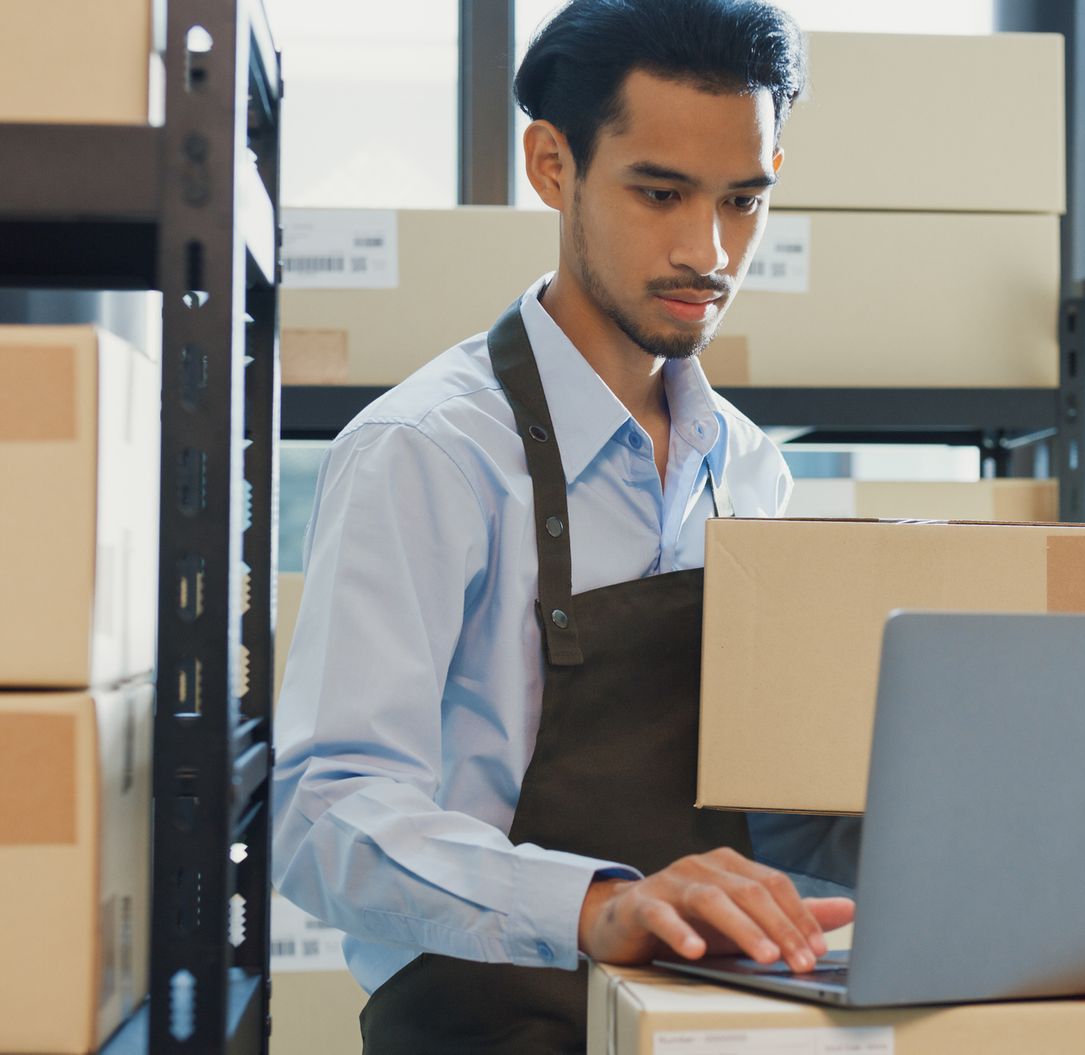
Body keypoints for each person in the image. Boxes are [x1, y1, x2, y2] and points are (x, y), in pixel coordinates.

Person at [270, 2, 856, 1050]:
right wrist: (595, 907)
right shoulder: (427, 451)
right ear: (551, 165)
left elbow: (763, 801)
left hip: (707, 1021)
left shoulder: (751, 468)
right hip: (488, 1019)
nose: (707, 250)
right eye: (659, 193)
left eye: (742, 200)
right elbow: (324, 815)